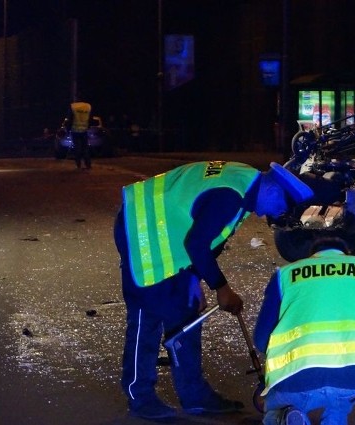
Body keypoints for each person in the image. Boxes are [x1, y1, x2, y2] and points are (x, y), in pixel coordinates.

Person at [113, 160, 314, 420]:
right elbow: (197, 244)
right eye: (278, 209)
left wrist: (195, 280)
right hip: (141, 231)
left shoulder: (245, 183)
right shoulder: (231, 196)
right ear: (275, 190)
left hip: (168, 236)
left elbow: (208, 241)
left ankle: (194, 396)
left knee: (186, 312)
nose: (268, 216)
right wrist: (221, 287)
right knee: (147, 317)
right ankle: (140, 397)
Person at [254, 237, 355, 425]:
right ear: (346, 254)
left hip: (295, 378)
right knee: (339, 403)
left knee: (277, 408)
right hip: (354, 376)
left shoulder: (285, 275)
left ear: (312, 256)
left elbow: (262, 340)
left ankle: (284, 418)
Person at [65, 99, 92, 169]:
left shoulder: (73, 107)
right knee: (85, 148)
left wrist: (68, 129)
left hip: (75, 130)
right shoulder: (88, 106)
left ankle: (78, 164)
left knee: (77, 148)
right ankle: (88, 164)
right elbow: (90, 118)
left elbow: (70, 119)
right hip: (84, 130)